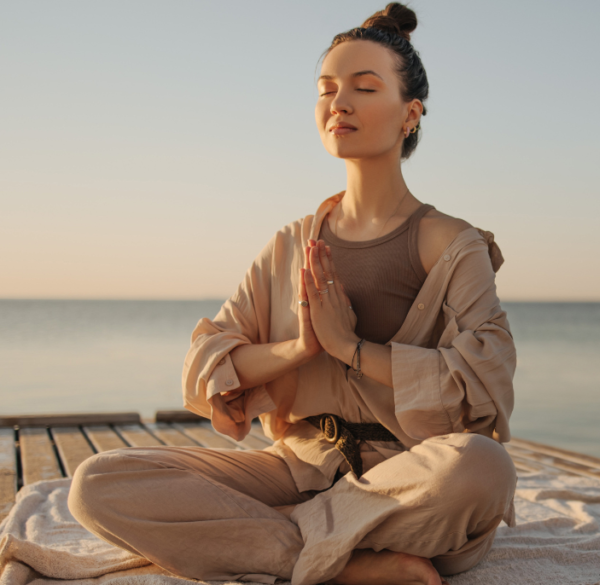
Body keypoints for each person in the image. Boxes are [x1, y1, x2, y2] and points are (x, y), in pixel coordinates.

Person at [67, 4, 518, 585]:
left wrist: (351, 348)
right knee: (99, 483)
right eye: (327, 89)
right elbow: (210, 360)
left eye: (363, 86)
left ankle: (270, 535)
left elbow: (484, 384)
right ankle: (344, 560)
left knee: (482, 469)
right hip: (296, 465)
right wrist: (301, 348)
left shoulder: (453, 244)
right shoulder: (290, 244)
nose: (339, 104)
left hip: (408, 479)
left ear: (411, 114)